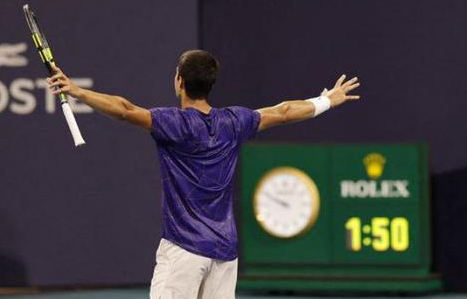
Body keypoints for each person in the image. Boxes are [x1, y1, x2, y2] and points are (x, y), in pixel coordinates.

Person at [46, 50, 361, 297]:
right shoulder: (235, 122)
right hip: (225, 255)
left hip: (183, 250)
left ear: (180, 82)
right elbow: (283, 111)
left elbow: (126, 110)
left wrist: (76, 91)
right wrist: (326, 101)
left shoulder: (174, 124)